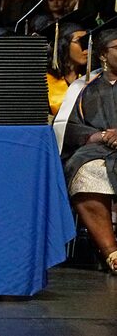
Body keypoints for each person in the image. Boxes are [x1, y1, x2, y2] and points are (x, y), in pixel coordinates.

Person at [61, 27, 117, 275]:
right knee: (85, 171)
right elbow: (68, 129)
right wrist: (101, 135)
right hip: (99, 151)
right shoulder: (84, 88)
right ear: (103, 54)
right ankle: (112, 254)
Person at [45, 21, 88, 118]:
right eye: (80, 41)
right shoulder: (44, 82)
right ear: (64, 45)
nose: (86, 48)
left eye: (87, 41)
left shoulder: (93, 77)